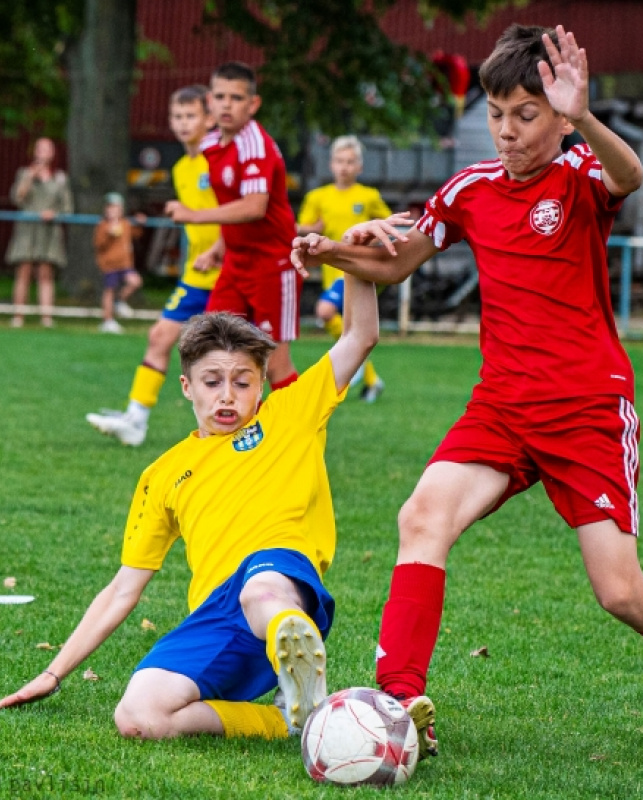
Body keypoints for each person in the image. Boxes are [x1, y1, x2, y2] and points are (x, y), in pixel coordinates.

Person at [291, 24, 643, 767]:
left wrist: (586, 115)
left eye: (525, 115)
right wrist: (335, 252)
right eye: (496, 114)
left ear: (558, 116)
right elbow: (395, 264)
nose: (507, 131)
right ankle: (398, 708)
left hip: (588, 409)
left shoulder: (582, 174)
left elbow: (631, 177)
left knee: (621, 593)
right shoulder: (470, 190)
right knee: (421, 515)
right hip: (500, 406)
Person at [0, 267, 379, 740]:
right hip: (217, 617)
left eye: (242, 382)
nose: (227, 395)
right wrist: (52, 673)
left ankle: (296, 654)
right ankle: (288, 719)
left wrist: (355, 266)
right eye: (212, 381)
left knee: (260, 589)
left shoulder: (291, 414)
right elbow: (123, 589)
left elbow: (361, 336)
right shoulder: (162, 473)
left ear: (261, 384)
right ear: (186, 387)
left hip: (279, 580)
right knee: (137, 716)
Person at [86, 85, 221, 445]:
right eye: (177, 116)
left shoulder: (221, 160)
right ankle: (136, 419)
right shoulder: (180, 168)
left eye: (190, 115)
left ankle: (269, 429)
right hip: (197, 273)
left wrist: (219, 249)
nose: (182, 123)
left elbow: (240, 214)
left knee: (235, 356)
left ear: (209, 119)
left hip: (230, 272)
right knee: (160, 336)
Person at [165, 61, 299, 392]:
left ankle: (301, 437)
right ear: (209, 101)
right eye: (220, 96)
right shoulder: (211, 146)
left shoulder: (254, 144)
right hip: (236, 264)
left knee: (275, 360)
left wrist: (193, 215)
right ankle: (233, 434)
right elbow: (231, 205)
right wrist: (218, 249)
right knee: (215, 345)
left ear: (253, 104)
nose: (227, 104)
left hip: (272, 263)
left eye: (236, 98)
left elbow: (254, 206)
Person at [297, 135, 393, 402]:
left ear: (359, 167)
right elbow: (301, 227)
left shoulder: (368, 196)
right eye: (340, 161)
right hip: (331, 272)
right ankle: (370, 377)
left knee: (325, 311)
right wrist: (311, 230)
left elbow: (389, 225)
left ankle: (360, 368)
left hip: (358, 270)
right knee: (351, 329)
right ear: (331, 164)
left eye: (351, 162)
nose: (345, 167)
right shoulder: (319, 197)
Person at [6, 137, 74, 328]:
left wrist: (54, 213)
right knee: (24, 271)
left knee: (45, 273)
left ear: (53, 153)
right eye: (40, 148)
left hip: (49, 230)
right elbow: (17, 198)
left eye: (48, 148)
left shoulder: (60, 178)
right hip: (27, 229)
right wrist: (30, 177)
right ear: (34, 151)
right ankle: (18, 316)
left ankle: (46, 317)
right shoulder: (24, 173)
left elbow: (68, 208)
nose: (44, 152)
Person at [93, 192, 146, 334]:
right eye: (111, 207)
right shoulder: (103, 225)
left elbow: (136, 234)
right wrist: (108, 234)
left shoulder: (125, 223)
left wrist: (140, 224)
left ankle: (119, 302)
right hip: (110, 264)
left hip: (126, 264)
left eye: (116, 207)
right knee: (109, 290)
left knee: (135, 282)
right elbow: (98, 244)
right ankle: (107, 320)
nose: (113, 210)